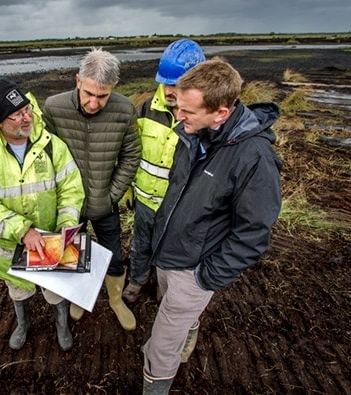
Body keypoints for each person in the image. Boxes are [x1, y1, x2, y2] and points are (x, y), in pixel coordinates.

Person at [141, 59, 283, 393]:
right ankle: (190, 328)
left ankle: (155, 386)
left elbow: (253, 233)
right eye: (179, 106)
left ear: (220, 113)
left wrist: (207, 277)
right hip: (168, 253)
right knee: (171, 315)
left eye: (187, 111)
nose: (178, 117)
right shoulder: (194, 133)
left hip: (194, 271)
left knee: (161, 347)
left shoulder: (255, 158)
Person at [0, 78, 85, 352]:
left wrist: (66, 227)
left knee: (56, 287)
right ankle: (24, 323)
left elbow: (71, 188)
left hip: (52, 242)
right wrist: (21, 229)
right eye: (17, 114)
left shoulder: (52, 145)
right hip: (11, 246)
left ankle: (61, 323)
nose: (26, 118)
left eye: (27, 110)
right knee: (19, 289)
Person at [43, 48, 141, 331]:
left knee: (113, 253)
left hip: (105, 204)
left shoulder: (124, 110)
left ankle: (115, 300)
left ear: (113, 89)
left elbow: (131, 155)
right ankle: (79, 296)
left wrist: (112, 195)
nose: (94, 102)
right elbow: (46, 155)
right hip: (68, 205)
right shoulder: (54, 107)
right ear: (78, 80)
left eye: (102, 96)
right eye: (89, 93)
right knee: (72, 251)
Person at [122, 39, 206, 304]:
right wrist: (127, 188)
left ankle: (163, 288)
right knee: (140, 245)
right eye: (166, 82)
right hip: (145, 199)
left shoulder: (200, 120)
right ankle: (137, 281)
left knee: (170, 250)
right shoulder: (145, 109)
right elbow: (130, 152)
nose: (170, 91)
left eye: (179, 85)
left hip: (177, 207)